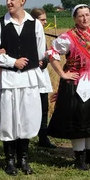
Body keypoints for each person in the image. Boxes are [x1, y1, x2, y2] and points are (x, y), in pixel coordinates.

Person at [0, 0, 46, 176]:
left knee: (27, 119)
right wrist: (13, 61)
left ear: (23, 0)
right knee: (8, 119)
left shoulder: (35, 24)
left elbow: (40, 52)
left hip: (29, 78)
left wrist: (35, 64)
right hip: (9, 78)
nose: (9, 2)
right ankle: (10, 160)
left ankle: (24, 159)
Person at [47, 5, 90, 170]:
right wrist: (63, 74)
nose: (84, 18)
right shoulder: (67, 38)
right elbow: (52, 54)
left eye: (87, 15)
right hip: (76, 82)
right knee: (79, 120)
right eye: (81, 16)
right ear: (75, 19)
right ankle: (79, 159)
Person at [29, 8, 56, 149]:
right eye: (42, 20)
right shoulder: (26, 34)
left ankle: (43, 137)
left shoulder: (42, 34)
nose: (45, 22)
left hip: (42, 74)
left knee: (44, 107)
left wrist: (45, 59)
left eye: (45, 19)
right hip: (30, 75)